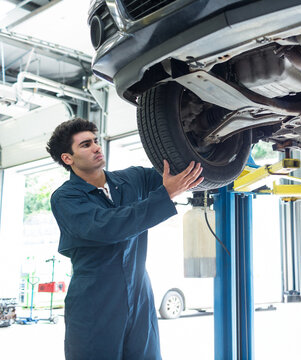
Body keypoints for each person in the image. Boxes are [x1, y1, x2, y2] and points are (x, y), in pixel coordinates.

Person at [46, 118, 203, 359]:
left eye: (96, 141)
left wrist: (202, 134)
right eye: (86, 145)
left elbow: (177, 168)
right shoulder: (65, 198)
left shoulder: (132, 179)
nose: (97, 147)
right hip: (95, 301)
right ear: (68, 158)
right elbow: (107, 227)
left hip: (139, 296)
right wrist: (166, 195)